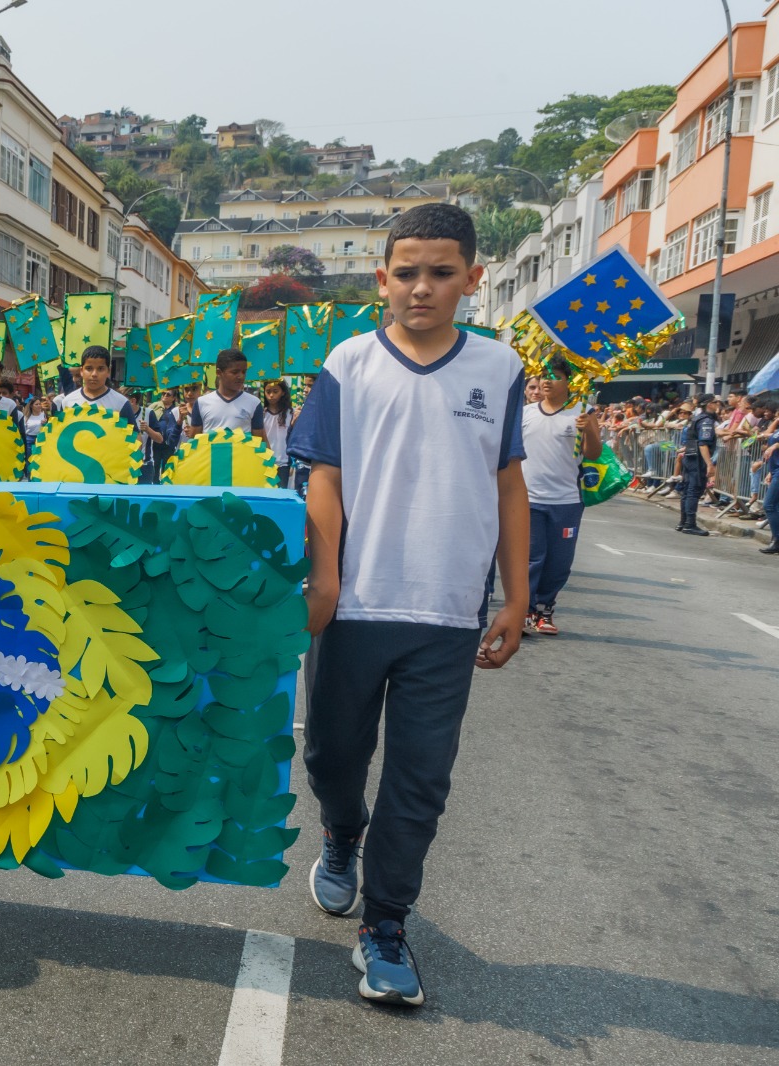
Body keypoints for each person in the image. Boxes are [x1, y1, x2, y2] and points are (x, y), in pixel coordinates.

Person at [288, 202, 527, 1008]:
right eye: (406, 272)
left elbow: (507, 482)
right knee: (330, 758)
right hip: (353, 608)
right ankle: (340, 833)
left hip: (447, 614)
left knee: (420, 782)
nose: (421, 288)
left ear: (472, 278)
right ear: (382, 276)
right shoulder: (349, 363)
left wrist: (517, 596)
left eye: (442, 272)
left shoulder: (499, 368)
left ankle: (386, 927)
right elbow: (323, 476)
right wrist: (324, 579)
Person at [520, 361, 601, 635]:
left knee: (559, 561)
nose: (546, 381)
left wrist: (587, 427)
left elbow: (592, 454)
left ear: (570, 382)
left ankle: (545, 609)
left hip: (566, 500)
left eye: (554, 377)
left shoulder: (583, 412)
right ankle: (525, 611)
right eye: (543, 376)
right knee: (532, 557)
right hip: (529, 499)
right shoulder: (525, 413)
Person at [187, 350, 267, 442]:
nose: (240, 376)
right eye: (235, 372)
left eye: (244, 372)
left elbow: (259, 443)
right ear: (219, 372)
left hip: (241, 456)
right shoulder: (201, 402)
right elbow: (193, 442)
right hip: (212, 456)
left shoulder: (254, 403)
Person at [53, 346, 133, 425]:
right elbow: (60, 433)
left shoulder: (121, 403)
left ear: (108, 371)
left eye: (100, 369)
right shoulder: (67, 401)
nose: (94, 374)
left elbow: (135, 436)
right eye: (89, 368)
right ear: (81, 371)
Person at [678, 395, 720, 536]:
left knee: (687, 491)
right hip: (697, 460)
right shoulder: (706, 421)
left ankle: (683, 522)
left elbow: (692, 439)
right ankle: (690, 524)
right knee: (694, 491)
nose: (717, 405)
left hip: (690, 457)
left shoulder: (696, 418)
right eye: (715, 402)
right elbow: (703, 443)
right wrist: (709, 464)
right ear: (708, 404)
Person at [259, 378, 297, 486]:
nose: (271, 395)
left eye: (275, 391)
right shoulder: (261, 414)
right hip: (265, 462)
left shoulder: (291, 413)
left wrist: (293, 464)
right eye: (268, 392)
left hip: (283, 463)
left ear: (283, 392)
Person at [756, 421, 779, 555]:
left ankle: (777, 539)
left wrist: (775, 445)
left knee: (769, 505)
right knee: (774, 506)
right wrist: (771, 471)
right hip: (775, 470)